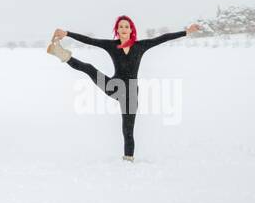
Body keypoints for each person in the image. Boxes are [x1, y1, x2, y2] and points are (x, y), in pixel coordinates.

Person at [47, 16, 200, 161]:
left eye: (127, 26)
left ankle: (128, 159)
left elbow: (163, 38)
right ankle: (59, 52)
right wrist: (67, 33)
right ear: (117, 30)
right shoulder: (111, 45)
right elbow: (90, 40)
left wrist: (187, 31)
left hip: (131, 94)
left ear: (131, 29)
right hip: (114, 87)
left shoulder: (140, 46)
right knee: (89, 68)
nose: (124, 29)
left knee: (128, 130)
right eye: (121, 26)